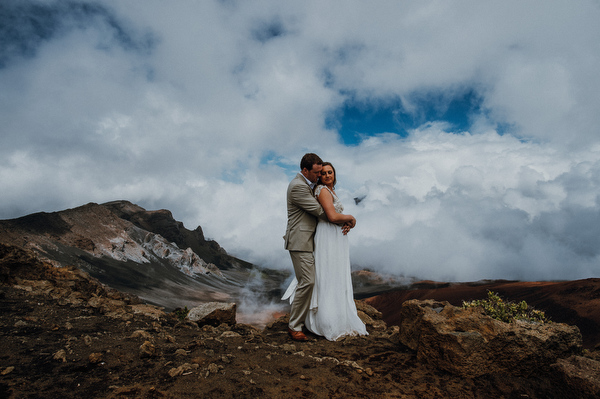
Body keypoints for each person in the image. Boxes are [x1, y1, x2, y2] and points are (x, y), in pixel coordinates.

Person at [283, 161, 367, 341]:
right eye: (323, 173)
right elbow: (329, 215)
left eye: (330, 172)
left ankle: (333, 314)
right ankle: (303, 323)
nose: (327, 175)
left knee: (333, 274)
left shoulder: (326, 190)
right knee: (317, 277)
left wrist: (343, 223)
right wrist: (350, 219)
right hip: (317, 237)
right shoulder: (316, 190)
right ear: (311, 173)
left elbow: (331, 215)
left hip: (332, 236)